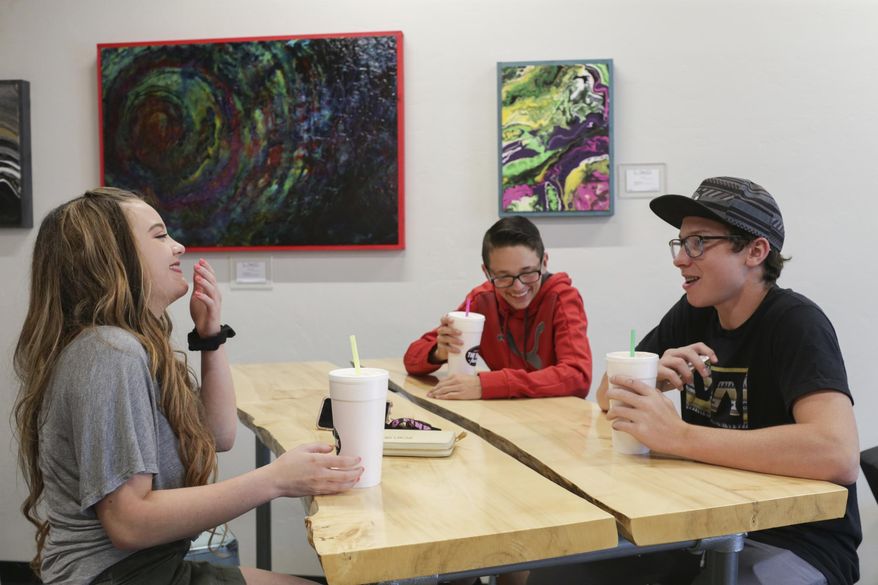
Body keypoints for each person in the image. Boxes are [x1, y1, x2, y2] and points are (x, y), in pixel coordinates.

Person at [12, 187, 363, 585]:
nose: (178, 246)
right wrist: (277, 479)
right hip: (118, 576)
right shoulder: (109, 352)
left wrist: (210, 336)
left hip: (148, 568)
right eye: (160, 236)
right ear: (111, 257)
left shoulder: (124, 346)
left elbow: (217, 434)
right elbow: (129, 523)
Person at [533, 177, 861, 585]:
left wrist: (679, 436)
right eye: (681, 243)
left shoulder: (795, 323)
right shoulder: (695, 312)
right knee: (557, 575)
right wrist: (649, 378)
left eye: (699, 243)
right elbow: (604, 394)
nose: (680, 259)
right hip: (698, 527)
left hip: (794, 540)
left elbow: (838, 453)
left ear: (755, 251)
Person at [404, 215, 593, 400]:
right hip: (502, 415)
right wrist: (438, 352)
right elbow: (411, 358)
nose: (518, 287)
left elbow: (577, 377)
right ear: (486, 272)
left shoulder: (562, 298)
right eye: (503, 277)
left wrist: (487, 385)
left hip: (557, 419)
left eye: (527, 273)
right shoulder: (481, 301)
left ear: (544, 263)